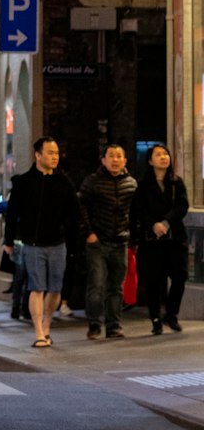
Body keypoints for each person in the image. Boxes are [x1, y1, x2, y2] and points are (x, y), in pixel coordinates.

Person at [2, 137, 80, 349]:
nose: (55, 157)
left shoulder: (64, 183)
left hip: (57, 243)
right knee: (37, 287)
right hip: (32, 244)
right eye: (50, 153)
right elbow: (12, 214)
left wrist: (65, 230)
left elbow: (74, 213)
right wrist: (8, 240)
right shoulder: (24, 182)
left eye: (56, 153)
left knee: (55, 289)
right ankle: (38, 331)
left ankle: (47, 325)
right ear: (38, 155)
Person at [78, 143, 137, 341]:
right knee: (96, 285)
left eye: (119, 156)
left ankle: (114, 326)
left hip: (121, 241)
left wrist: (133, 237)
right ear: (103, 160)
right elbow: (81, 207)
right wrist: (89, 232)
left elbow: (136, 214)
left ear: (125, 160)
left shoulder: (131, 183)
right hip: (97, 242)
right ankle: (95, 324)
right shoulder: (92, 182)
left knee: (116, 287)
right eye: (111, 156)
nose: (115, 160)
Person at [131, 144, 189, 336]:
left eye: (165, 154)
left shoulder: (176, 182)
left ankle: (171, 314)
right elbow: (139, 211)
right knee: (153, 280)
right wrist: (153, 225)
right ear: (150, 161)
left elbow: (182, 206)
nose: (164, 157)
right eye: (158, 154)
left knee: (179, 277)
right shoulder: (143, 186)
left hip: (174, 237)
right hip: (152, 239)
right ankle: (155, 318)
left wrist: (166, 221)